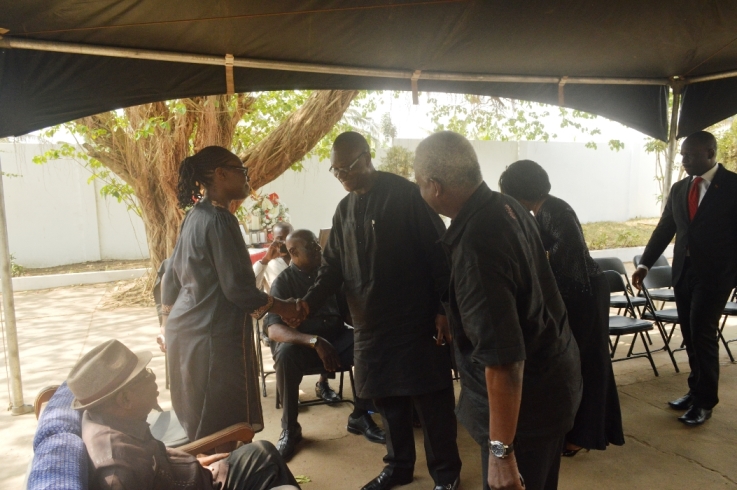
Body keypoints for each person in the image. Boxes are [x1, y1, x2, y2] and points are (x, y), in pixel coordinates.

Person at [414, 131, 582, 490]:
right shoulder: (508, 207)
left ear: (434, 186)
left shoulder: (477, 244)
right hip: (548, 388)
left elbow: (503, 360)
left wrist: (501, 453)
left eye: (419, 183)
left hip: (523, 413)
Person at [298, 132, 462, 490]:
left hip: (416, 322)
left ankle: (446, 474)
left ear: (367, 157)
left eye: (348, 168)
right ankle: (399, 466)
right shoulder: (344, 210)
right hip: (370, 325)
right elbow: (331, 267)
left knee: (431, 402)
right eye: (336, 170)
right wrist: (309, 301)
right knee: (387, 400)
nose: (342, 176)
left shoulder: (407, 196)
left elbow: (440, 254)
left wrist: (443, 307)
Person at [162, 146, 302, 442]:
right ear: (220, 174)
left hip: (185, 335)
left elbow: (169, 277)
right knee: (221, 430)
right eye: (242, 171)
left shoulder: (193, 216)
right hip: (212, 340)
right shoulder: (220, 220)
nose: (247, 177)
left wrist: (166, 322)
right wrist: (285, 307)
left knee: (199, 426)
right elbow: (238, 289)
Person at [498, 159, 624, 456]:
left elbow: (566, 260)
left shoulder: (555, 211)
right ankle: (579, 429)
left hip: (583, 293)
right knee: (579, 361)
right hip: (579, 292)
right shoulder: (544, 210)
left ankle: (584, 434)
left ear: (519, 191)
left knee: (587, 362)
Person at [68, 339, 300, 490]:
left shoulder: (116, 419)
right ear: (125, 399)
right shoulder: (117, 472)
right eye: (145, 375)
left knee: (263, 453)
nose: (154, 378)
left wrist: (192, 461)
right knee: (271, 468)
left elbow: (155, 457)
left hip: (192, 477)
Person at [632, 131, 737, 426]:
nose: (683, 160)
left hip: (716, 275)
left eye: (689, 154)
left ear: (710, 153)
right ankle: (695, 390)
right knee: (690, 334)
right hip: (683, 272)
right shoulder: (680, 188)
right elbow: (665, 228)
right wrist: (645, 264)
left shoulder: (732, 186)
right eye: (682, 154)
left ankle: (705, 402)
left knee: (703, 333)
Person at [265, 229, 386, 460]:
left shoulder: (328, 276)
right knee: (285, 354)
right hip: (302, 345)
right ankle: (290, 428)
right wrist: (314, 341)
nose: (318, 248)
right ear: (293, 252)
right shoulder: (283, 282)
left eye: (316, 244)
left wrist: (371, 324)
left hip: (336, 338)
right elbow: (274, 330)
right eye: (311, 246)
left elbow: (348, 314)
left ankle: (360, 415)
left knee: (369, 342)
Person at [253, 222, 294, 295]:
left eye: (288, 237)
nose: (284, 242)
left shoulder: (300, 257)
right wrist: (266, 260)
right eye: (280, 238)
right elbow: (253, 286)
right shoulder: (267, 262)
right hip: (277, 299)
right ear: (273, 238)